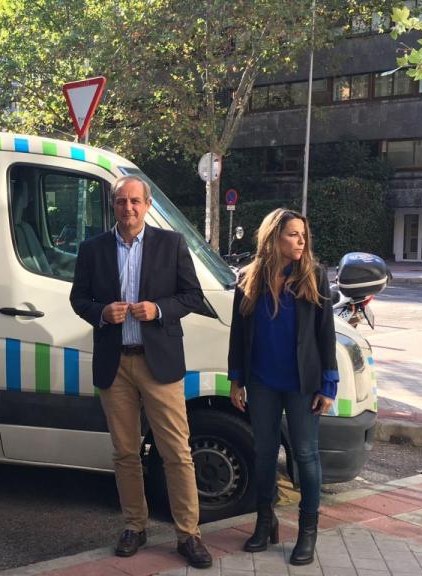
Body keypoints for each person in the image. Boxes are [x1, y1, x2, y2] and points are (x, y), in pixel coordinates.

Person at [69, 175, 212, 569]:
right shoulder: (93, 249)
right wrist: (100, 312)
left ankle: (188, 534)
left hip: (159, 364)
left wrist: (158, 310)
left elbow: (192, 297)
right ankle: (135, 525)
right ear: (112, 206)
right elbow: (78, 298)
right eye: (120, 202)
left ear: (147, 205)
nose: (127, 208)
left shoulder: (171, 245)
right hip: (115, 364)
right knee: (126, 453)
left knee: (177, 453)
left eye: (134, 201)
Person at [227, 208, 338, 567]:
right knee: (263, 453)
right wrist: (236, 379)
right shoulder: (248, 277)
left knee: (305, 455)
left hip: (302, 384)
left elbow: (325, 334)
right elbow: (238, 335)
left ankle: (308, 531)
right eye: (293, 234)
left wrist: (328, 384)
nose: (301, 241)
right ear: (274, 237)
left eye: (303, 234)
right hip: (261, 382)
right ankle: (265, 521)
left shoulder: (314, 276)